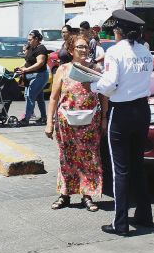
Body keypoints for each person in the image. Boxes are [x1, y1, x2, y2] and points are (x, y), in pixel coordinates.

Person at [90, 10, 154, 236]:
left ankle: (121, 223)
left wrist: (93, 84)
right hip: (142, 110)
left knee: (120, 170)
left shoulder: (114, 52)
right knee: (137, 165)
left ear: (119, 31)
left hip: (122, 112)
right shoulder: (145, 51)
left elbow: (109, 85)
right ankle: (145, 215)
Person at [45, 35, 109, 213]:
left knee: (89, 158)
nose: (83, 50)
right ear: (71, 50)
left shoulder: (95, 69)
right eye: (79, 47)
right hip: (66, 122)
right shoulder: (63, 70)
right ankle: (65, 195)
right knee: (66, 158)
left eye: (86, 47)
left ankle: (87, 195)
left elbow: (104, 96)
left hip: (91, 123)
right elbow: (53, 97)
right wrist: (49, 122)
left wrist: (104, 118)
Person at [16, 30, 49, 127]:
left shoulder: (41, 49)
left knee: (30, 95)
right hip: (30, 75)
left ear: (36, 39)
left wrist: (25, 70)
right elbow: (28, 61)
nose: (28, 41)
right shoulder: (30, 47)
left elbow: (40, 63)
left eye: (30, 40)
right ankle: (43, 117)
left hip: (39, 75)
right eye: (28, 40)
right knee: (39, 97)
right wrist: (21, 67)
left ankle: (26, 119)